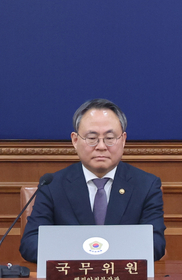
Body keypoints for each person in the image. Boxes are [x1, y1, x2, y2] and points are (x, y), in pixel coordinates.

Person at [19, 99, 166, 262]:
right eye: (92, 138)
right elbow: (30, 244)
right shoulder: (52, 185)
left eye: (110, 138)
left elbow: (155, 244)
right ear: (75, 140)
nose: (101, 146)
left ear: (123, 140)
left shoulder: (146, 185)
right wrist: (86, 258)